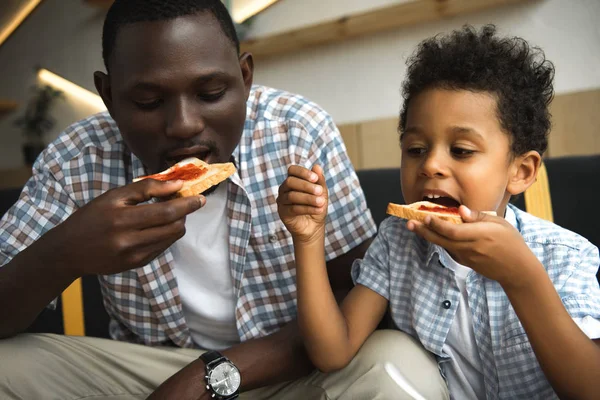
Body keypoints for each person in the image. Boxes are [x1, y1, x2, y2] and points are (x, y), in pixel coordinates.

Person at [0, 1, 400, 399]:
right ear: (107, 94)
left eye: (210, 93)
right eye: (148, 102)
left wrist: (204, 379)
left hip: (289, 368)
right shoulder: (76, 160)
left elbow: (355, 292)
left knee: (395, 361)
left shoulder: (297, 132)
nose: (183, 125)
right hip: (147, 372)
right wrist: (64, 253)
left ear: (245, 77)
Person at [278, 25, 600, 400]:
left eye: (461, 150)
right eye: (415, 149)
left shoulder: (565, 257)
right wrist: (308, 238)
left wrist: (523, 278)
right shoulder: (396, 242)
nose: (430, 165)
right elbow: (332, 352)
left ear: (520, 171)